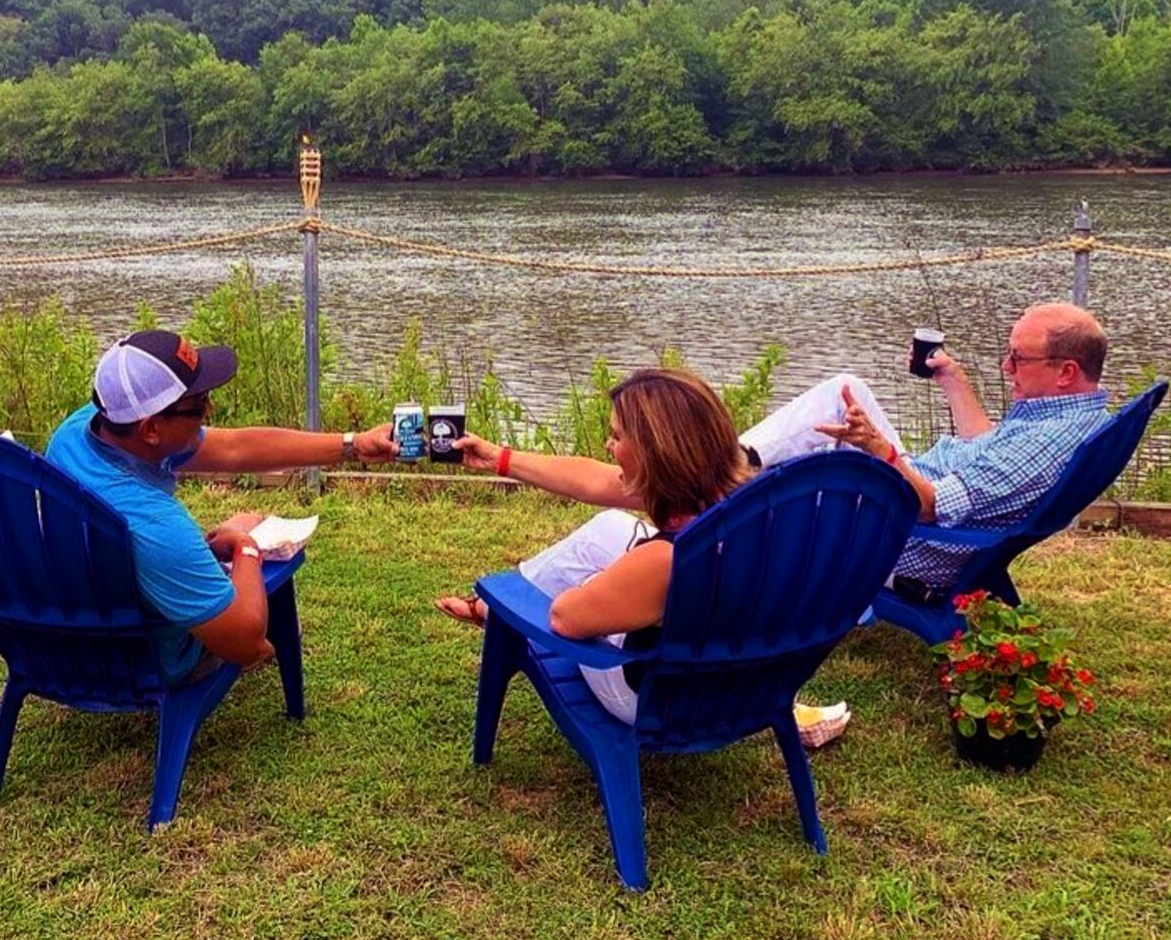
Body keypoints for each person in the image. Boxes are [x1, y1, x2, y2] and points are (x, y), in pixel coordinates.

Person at [428, 368, 850, 733]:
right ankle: (492, 613)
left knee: (589, 586)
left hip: (661, 702)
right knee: (611, 527)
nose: (609, 446)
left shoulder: (666, 558)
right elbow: (595, 480)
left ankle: (502, 614)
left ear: (656, 453)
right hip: (748, 686)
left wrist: (606, 583)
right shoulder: (751, 502)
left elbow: (566, 618)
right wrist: (500, 458)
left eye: (616, 436)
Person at [46, 328, 397, 684]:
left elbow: (234, 448)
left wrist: (354, 443)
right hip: (141, 663)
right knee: (260, 640)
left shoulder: (80, 431)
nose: (209, 410)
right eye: (198, 406)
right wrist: (245, 545)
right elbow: (245, 642)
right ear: (151, 429)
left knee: (241, 525)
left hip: (73, 636)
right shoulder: (155, 526)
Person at [738, 301, 1109, 600]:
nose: (1006, 367)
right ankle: (736, 463)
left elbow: (929, 508)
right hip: (908, 485)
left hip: (898, 528)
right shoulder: (1068, 418)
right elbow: (982, 446)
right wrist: (952, 378)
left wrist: (880, 450)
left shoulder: (1042, 445)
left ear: (1066, 372)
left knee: (791, 481)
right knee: (845, 390)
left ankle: (719, 478)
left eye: (1018, 358)